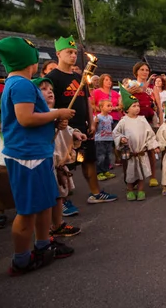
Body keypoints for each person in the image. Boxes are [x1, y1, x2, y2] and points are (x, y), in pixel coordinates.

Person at [0, 36, 76, 275]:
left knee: (45, 203)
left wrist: (53, 123)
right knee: (27, 211)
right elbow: (25, 119)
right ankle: (22, 260)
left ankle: (43, 244)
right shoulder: (22, 84)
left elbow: (32, 119)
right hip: (28, 158)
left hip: (38, 153)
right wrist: (57, 113)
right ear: (30, 61)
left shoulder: (18, 83)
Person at [45, 36, 117, 204]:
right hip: (63, 128)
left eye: (75, 52)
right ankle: (62, 202)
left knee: (88, 160)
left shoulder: (81, 78)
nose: (73, 55)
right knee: (63, 165)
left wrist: (91, 122)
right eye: (69, 52)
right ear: (58, 53)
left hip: (82, 127)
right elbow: (48, 103)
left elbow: (87, 101)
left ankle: (96, 193)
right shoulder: (53, 78)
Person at [33, 77, 82, 240]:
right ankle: (44, 232)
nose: (49, 92)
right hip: (45, 164)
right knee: (47, 198)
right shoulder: (38, 116)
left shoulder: (58, 113)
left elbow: (66, 129)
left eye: (51, 90)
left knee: (59, 196)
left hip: (59, 164)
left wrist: (75, 132)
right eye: (44, 89)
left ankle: (58, 223)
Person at [113, 85, 158, 201]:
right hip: (130, 154)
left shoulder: (142, 120)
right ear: (127, 109)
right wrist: (121, 139)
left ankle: (141, 190)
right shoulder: (123, 122)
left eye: (138, 105)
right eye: (134, 106)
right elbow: (116, 133)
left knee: (142, 172)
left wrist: (154, 146)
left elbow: (149, 134)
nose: (137, 108)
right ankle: (130, 189)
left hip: (141, 152)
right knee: (130, 173)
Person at [94, 99, 116, 181]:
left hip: (109, 139)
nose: (110, 107)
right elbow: (94, 129)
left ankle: (106, 170)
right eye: (108, 106)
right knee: (101, 156)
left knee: (108, 156)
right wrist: (95, 122)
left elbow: (111, 127)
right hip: (100, 139)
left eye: (111, 106)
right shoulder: (97, 117)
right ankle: (99, 172)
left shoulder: (110, 117)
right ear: (101, 107)